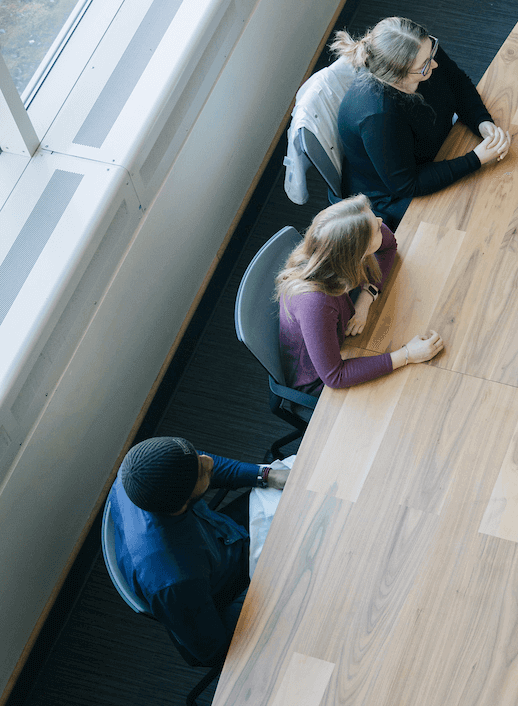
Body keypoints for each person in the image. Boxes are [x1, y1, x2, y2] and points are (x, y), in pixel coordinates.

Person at [107, 436, 288, 666]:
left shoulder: (142, 466)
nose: (208, 461)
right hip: (216, 591)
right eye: (201, 470)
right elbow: (212, 650)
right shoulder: (175, 580)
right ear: (183, 502)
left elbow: (196, 465)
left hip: (222, 538)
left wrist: (266, 475)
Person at [334, 17, 511, 229]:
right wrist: (476, 159)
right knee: (476, 215)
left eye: (432, 52)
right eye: (426, 65)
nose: (434, 64)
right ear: (397, 76)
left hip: (434, 148)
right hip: (395, 192)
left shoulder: (422, 52)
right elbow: (407, 184)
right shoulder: (378, 117)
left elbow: (456, 82)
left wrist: (481, 120)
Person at [277, 193, 443, 391]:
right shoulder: (315, 303)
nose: (381, 221)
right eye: (374, 229)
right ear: (357, 252)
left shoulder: (335, 254)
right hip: (318, 379)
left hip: (343, 332)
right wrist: (407, 354)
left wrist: (366, 297)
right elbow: (334, 376)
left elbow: (389, 246)